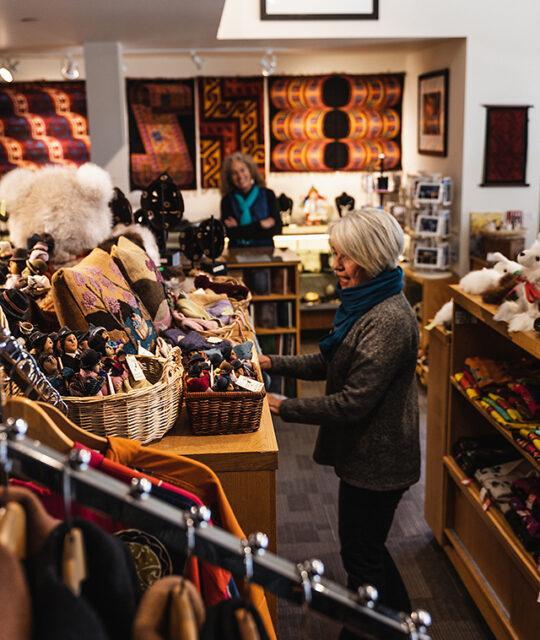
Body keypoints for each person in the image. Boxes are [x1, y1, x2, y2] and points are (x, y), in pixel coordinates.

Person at [259, 208, 420, 621]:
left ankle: (377, 625)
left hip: (380, 462)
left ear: (367, 256)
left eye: (343, 256)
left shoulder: (387, 319)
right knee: (364, 549)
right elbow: (331, 363)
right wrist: (273, 363)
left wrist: (282, 406)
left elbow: (352, 402)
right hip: (365, 455)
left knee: (361, 553)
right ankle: (395, 620)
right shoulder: (364, 304)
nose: (335, 266)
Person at [220, 152, 282, 248]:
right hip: (236, 254)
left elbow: (277, 229)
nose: (240, 176)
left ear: (250, 171)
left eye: (242, 170)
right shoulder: (227, 200)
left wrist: (239, 229)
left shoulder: (268, 194)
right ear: (230, 178)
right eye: (234, 173)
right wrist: (260, 224)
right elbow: (230, 233)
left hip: (266, 253)